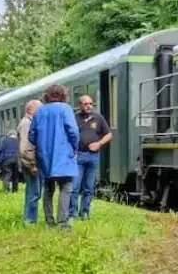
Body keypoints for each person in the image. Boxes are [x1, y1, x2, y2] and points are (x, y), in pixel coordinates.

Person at [29, 84, 80, 228]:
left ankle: (49, 220)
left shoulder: (40, 112)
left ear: (47, 96)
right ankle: (62, 221)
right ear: (63, 95)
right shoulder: (66, 109)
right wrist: (74, 147)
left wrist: (41, 145)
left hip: (44, 155)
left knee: (48, 187)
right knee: (66, 187)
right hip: (64, 154)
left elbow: (31, 135)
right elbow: (73, 131)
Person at [70, 94, 112, 220]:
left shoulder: (98, 118)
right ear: (80, 105)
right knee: (75, 187)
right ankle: (73, 213)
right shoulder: (74, 118)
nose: (88, 106)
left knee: (89, 187)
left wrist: (99, 143)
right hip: (79, 155)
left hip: (93, 156)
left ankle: (85, 213)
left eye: (90, 104)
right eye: (85, 104)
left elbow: (109, 134)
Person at [17, 99, 42, 225]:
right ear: (31, 110)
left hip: (30, 163)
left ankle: (30, 219)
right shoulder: (27, 124)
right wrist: (32, 165)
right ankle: (30, 220)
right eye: (39, 109)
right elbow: (26, 147)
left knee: (32, 192)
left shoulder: (28, 122)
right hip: (31, 164)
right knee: (34, 193)